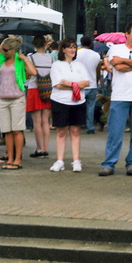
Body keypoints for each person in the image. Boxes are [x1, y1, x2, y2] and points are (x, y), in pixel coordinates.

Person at [99, 22, 132, 177]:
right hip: (119, 96)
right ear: (126, 34)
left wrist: (125, 61)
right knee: (115, 132)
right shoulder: (115, 48)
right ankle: (109, 164)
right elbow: (118, 66)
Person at [0, 36, 37, 170]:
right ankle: (10, 159)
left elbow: (33, 72)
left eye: (5, 49)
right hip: (3, 98)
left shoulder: (19, 61)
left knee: (17, 130)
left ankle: (17, 160)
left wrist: (25, 58)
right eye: (1, 49)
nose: (2, 51)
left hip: (16, 99)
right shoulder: (1, 60)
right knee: (6, 131)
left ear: (14, 50)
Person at [48, 37, 90, 172]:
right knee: (61, 132)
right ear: (63, 49)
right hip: (61, 101)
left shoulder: (80, 65)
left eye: (74, 47)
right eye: (70, 47)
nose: (72, 50)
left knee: (75, 131)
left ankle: (76, 160)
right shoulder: (56, 65)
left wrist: (70, 84)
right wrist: (77, 86)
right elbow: (58, 85)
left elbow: (86, 82)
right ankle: (60, 160)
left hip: (78, 102)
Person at [27, 35, 53, 158]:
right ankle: (45, 148)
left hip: (34, 89)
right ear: (45, 44)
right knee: (45, 121)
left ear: (34, 45)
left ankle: (39, 148)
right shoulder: (50, 58)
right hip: (47, 90)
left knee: (36, 122)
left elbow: (27, 75)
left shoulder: (30, 58)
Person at [76, 36, 103, 135]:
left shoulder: (76, 53)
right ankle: (90, 127)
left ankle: (77, 125)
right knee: (90, 107)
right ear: (90, 44)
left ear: (81, 43)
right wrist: (96, 81)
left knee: (78, 106)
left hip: (80, 84)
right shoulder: (96, 55)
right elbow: (98, 70)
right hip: (92, 84)